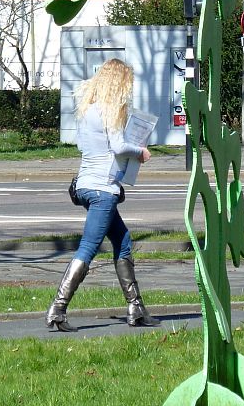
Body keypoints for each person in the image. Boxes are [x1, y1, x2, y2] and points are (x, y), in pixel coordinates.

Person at [46, 58, 160, 332]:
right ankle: (57, 309)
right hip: (102, 190)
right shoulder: (111, 110)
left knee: (123, 242)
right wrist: (140, 152)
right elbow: (119, 146)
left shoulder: (88, 109)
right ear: (118, 84)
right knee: (88, 247)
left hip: (86, 184)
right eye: (127, 84)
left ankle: (136, 308)